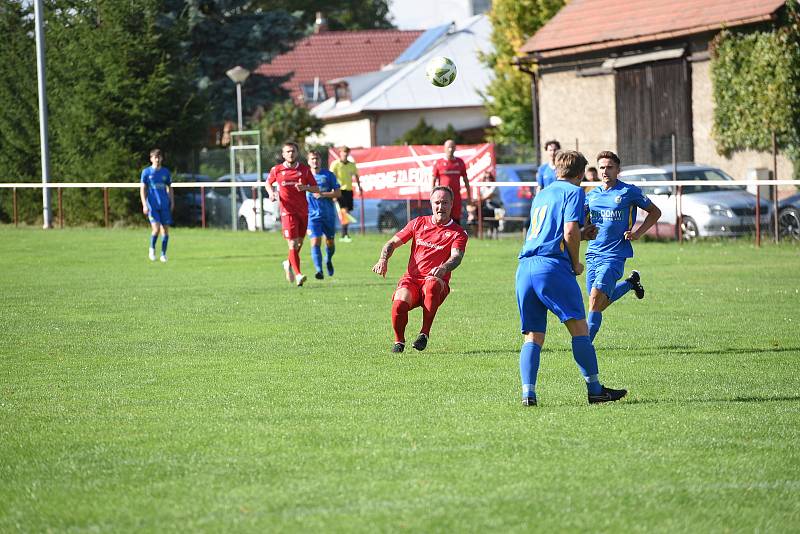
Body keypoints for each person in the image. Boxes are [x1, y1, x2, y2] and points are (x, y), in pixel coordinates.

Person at [515, 149, 627, 406]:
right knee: (579, 329)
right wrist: (575, 262)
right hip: (551, 266)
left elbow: (554, 230)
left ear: (557, 172)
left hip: (525, 267)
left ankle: (528, 393)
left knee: (533, 336)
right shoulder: (575, 192)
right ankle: (596, 390)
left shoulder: (542, 194)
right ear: (579, 174)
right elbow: (567, 231)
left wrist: (581, 233)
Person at [372, 186, 468, 353]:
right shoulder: (418, 223)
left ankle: (424, 334)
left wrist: (443, 268)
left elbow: (456, 257)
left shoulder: (458, 233)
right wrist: (383, 259)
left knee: (431, 284)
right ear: (431, 204)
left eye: (445, 203)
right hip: (412, 280)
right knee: (399, 302)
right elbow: (391, 243)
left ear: (451, 204)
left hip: (437, 283)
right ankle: (399, 342)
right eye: (437, 202)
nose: (441, 207)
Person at [584, 151, 662, 342]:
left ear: (618, 170)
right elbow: (579, 221)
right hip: (592, 254)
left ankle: (584, 346)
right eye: (602, 167)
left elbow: (655, 212)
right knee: (598, 304)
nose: (605, 171)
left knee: (595, 300)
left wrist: (637, 233)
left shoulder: (628, 192)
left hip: (614, 255)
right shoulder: (591, 195)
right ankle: (630, 284)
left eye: (609, 167)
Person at [266, 142, 320, 287]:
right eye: (288, 151)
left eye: (293, 151)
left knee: (299, 243)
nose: (291, 154)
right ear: (283, 154)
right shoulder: (277, 170)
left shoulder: (304, 170)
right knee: (293, 243)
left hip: (303, 211)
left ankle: (288, 263)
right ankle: (298, 275)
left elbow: (316, 189)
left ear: (297, 153)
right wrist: (271, 193)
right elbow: (268, 183)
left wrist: (306, 187)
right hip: (287, 212)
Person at [306, 150, 341, 280]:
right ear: (308, 161)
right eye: (312, 159)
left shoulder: (328, 175)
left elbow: (338, 193)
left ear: (320, 161)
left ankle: (328, 260)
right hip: (312, 216)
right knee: (315, 242)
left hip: (328, 215)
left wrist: (323, 194)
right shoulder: (304, 176)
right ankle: (319, 270)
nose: (315, 161)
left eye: (317, 159)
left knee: (330, 242)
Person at [139, 148, 173, 263]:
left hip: (164, 205)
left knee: (166, 230)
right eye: (155, 157)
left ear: (162, 158)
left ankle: (163, 254)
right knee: (156, 229)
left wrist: (171, 201)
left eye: (159, 157)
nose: (157, 159)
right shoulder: (146, 172)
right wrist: (144, 204)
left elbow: (169, 187)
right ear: (151, 159)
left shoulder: (166, 172)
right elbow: (143, 189)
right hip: (152, 205)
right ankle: (152, 249)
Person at [431, 139, 473, 225]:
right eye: (448, 147)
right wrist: (433, 195)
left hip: (456, 197)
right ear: (444, 148)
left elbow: (466, 180)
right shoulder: (439, 163)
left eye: (452, 147)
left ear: (455, 148)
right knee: (441, 218)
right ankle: (441, 237)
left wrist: (469, 197)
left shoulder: (460, 162)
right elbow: (433, 180)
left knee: (456, 219)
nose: (450, 149)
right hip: (442, 197)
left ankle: (456, 237)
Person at [330, 146, 361, 242]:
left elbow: (356, 176)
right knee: (344, 212)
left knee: (346, 213)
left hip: (349, 191)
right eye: (343, 152)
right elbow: (331, 178)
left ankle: (344, 235)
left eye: (346, 152)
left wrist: (359, 187)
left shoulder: (352, 165)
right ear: (340, 153)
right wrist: (333, 192)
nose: (345, 154)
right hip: (339, 191)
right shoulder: (335, 164)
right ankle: (344, 235)